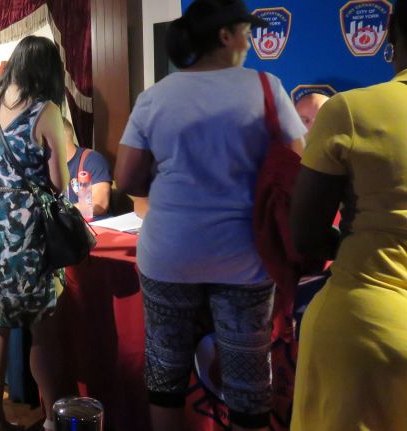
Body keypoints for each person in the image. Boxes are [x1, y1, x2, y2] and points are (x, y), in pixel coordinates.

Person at [114, 1, 305, 430]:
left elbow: (126, 177)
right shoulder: (265, 87)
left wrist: (177, 186)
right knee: (248, 378)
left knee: (166, 370)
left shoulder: (156, 96)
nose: (251, 41)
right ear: (225, 35)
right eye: (247, 32)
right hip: (245, 259)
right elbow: (298, 165)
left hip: (169, 252)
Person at [290, 1, 407, 429]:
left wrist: (337, 244)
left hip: (366, 326)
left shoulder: (350, 111)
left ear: (391, 37)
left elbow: (305, 235)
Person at [0, 35, 69, 431]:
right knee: (43, 328)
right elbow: (59, 183)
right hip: (25, 228)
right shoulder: (46, 110)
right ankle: (53, 417)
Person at [62, 118, 111, 218]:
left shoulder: (92, 160)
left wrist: (60, 212)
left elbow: (99, 205)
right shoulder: (45, 166)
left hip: (93, 228)